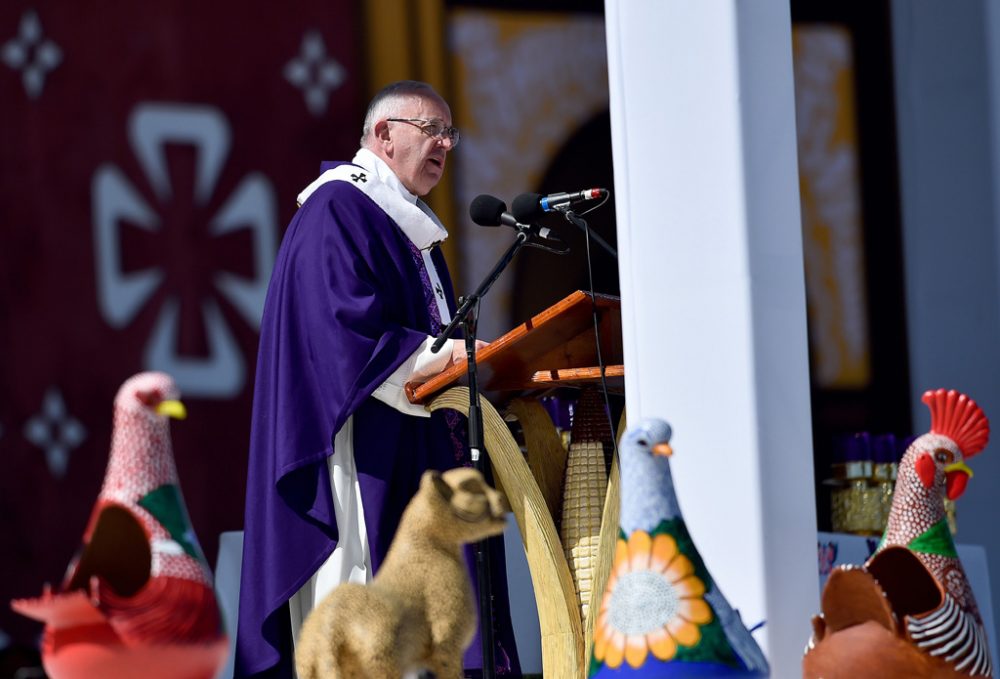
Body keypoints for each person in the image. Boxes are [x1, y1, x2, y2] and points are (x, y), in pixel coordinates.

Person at [235, 81, 521, 678]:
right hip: (362, 453)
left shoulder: (407, 225)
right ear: (383, 135)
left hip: (414, 450)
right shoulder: (337, 210)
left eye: (451, 134)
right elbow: (343, 334)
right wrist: (447, 361)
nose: (445, 144)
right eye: (431, 130)